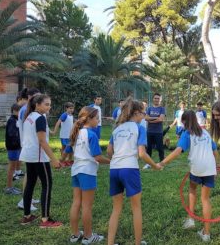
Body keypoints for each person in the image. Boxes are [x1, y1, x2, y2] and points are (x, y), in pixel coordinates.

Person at [106, 98, 162, 245]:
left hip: (114, 170)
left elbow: (109, 151)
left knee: (116, 209)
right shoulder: (139, 128)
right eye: (143, 114)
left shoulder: (117, 129)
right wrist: (155, 165)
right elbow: (142, 154)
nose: (144, 116)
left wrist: (118, 158)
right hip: (129, 169)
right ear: (136, 113)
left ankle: (110, 243)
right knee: (136, 208)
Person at [160, 110, 218, 242]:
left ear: (185, 121)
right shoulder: (206, 133)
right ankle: (206, 234)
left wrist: (163, 162)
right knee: (205, 199)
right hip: (210, 168)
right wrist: (217, 169)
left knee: (192, 190)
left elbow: (177, 151)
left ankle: (190, 219)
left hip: (197, 168)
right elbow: (215, 152)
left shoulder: (187, 133)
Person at [64, 106, 111, 244]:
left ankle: (75, 234)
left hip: (76, 170)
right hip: (88, 171)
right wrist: (112, 161)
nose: (98, 120)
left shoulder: (76, 132)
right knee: (86, 206)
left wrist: (61, 161)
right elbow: (97, 157)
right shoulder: (91, 134)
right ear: (89, 119)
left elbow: (65, 153)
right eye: (96, 118)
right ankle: (88, 236)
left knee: (76, 203)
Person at [19, 94, 62, 228]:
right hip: (38, 157)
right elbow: (42, 141)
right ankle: (45, 220)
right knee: (47, 185)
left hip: (29, 155)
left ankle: (27, 216)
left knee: (30, 185)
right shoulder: (40, 118)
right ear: (37, 104)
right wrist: (54, 159)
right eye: (46, 104)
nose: (49, 107)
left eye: (50, 104)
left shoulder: (29, 117)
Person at [17, 87, 40, 211]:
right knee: (30, 175)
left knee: (32, 175)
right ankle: (24, 200)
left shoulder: (27, 109)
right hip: (29, 146)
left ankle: (29, 198)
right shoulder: (26, 110)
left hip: (30, 145)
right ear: (30, 96)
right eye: (37, 96)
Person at [143, 93, 166, 169]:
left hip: (158, 132)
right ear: (153, 99)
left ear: (160, 100)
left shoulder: (162, 109)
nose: (156, 100)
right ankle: (148, 163)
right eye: (155, 98)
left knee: (160, 148)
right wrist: (156, 118)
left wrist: (151, 119)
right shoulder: (149, 108)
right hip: (149, 131)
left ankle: (162, 163)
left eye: (158, 98)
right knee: (149, 148)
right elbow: (146, 118)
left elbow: (161, 119)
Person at [4, 103, 22, 195]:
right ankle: (9, 188)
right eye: (20, 111)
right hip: (13, 147)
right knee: (12, 168)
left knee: (13, 168)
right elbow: (12, 134)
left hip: (16, 146)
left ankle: (10, 186)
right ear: (15, 111)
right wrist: (18, 141)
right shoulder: (12, 120)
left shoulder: (16, 119)